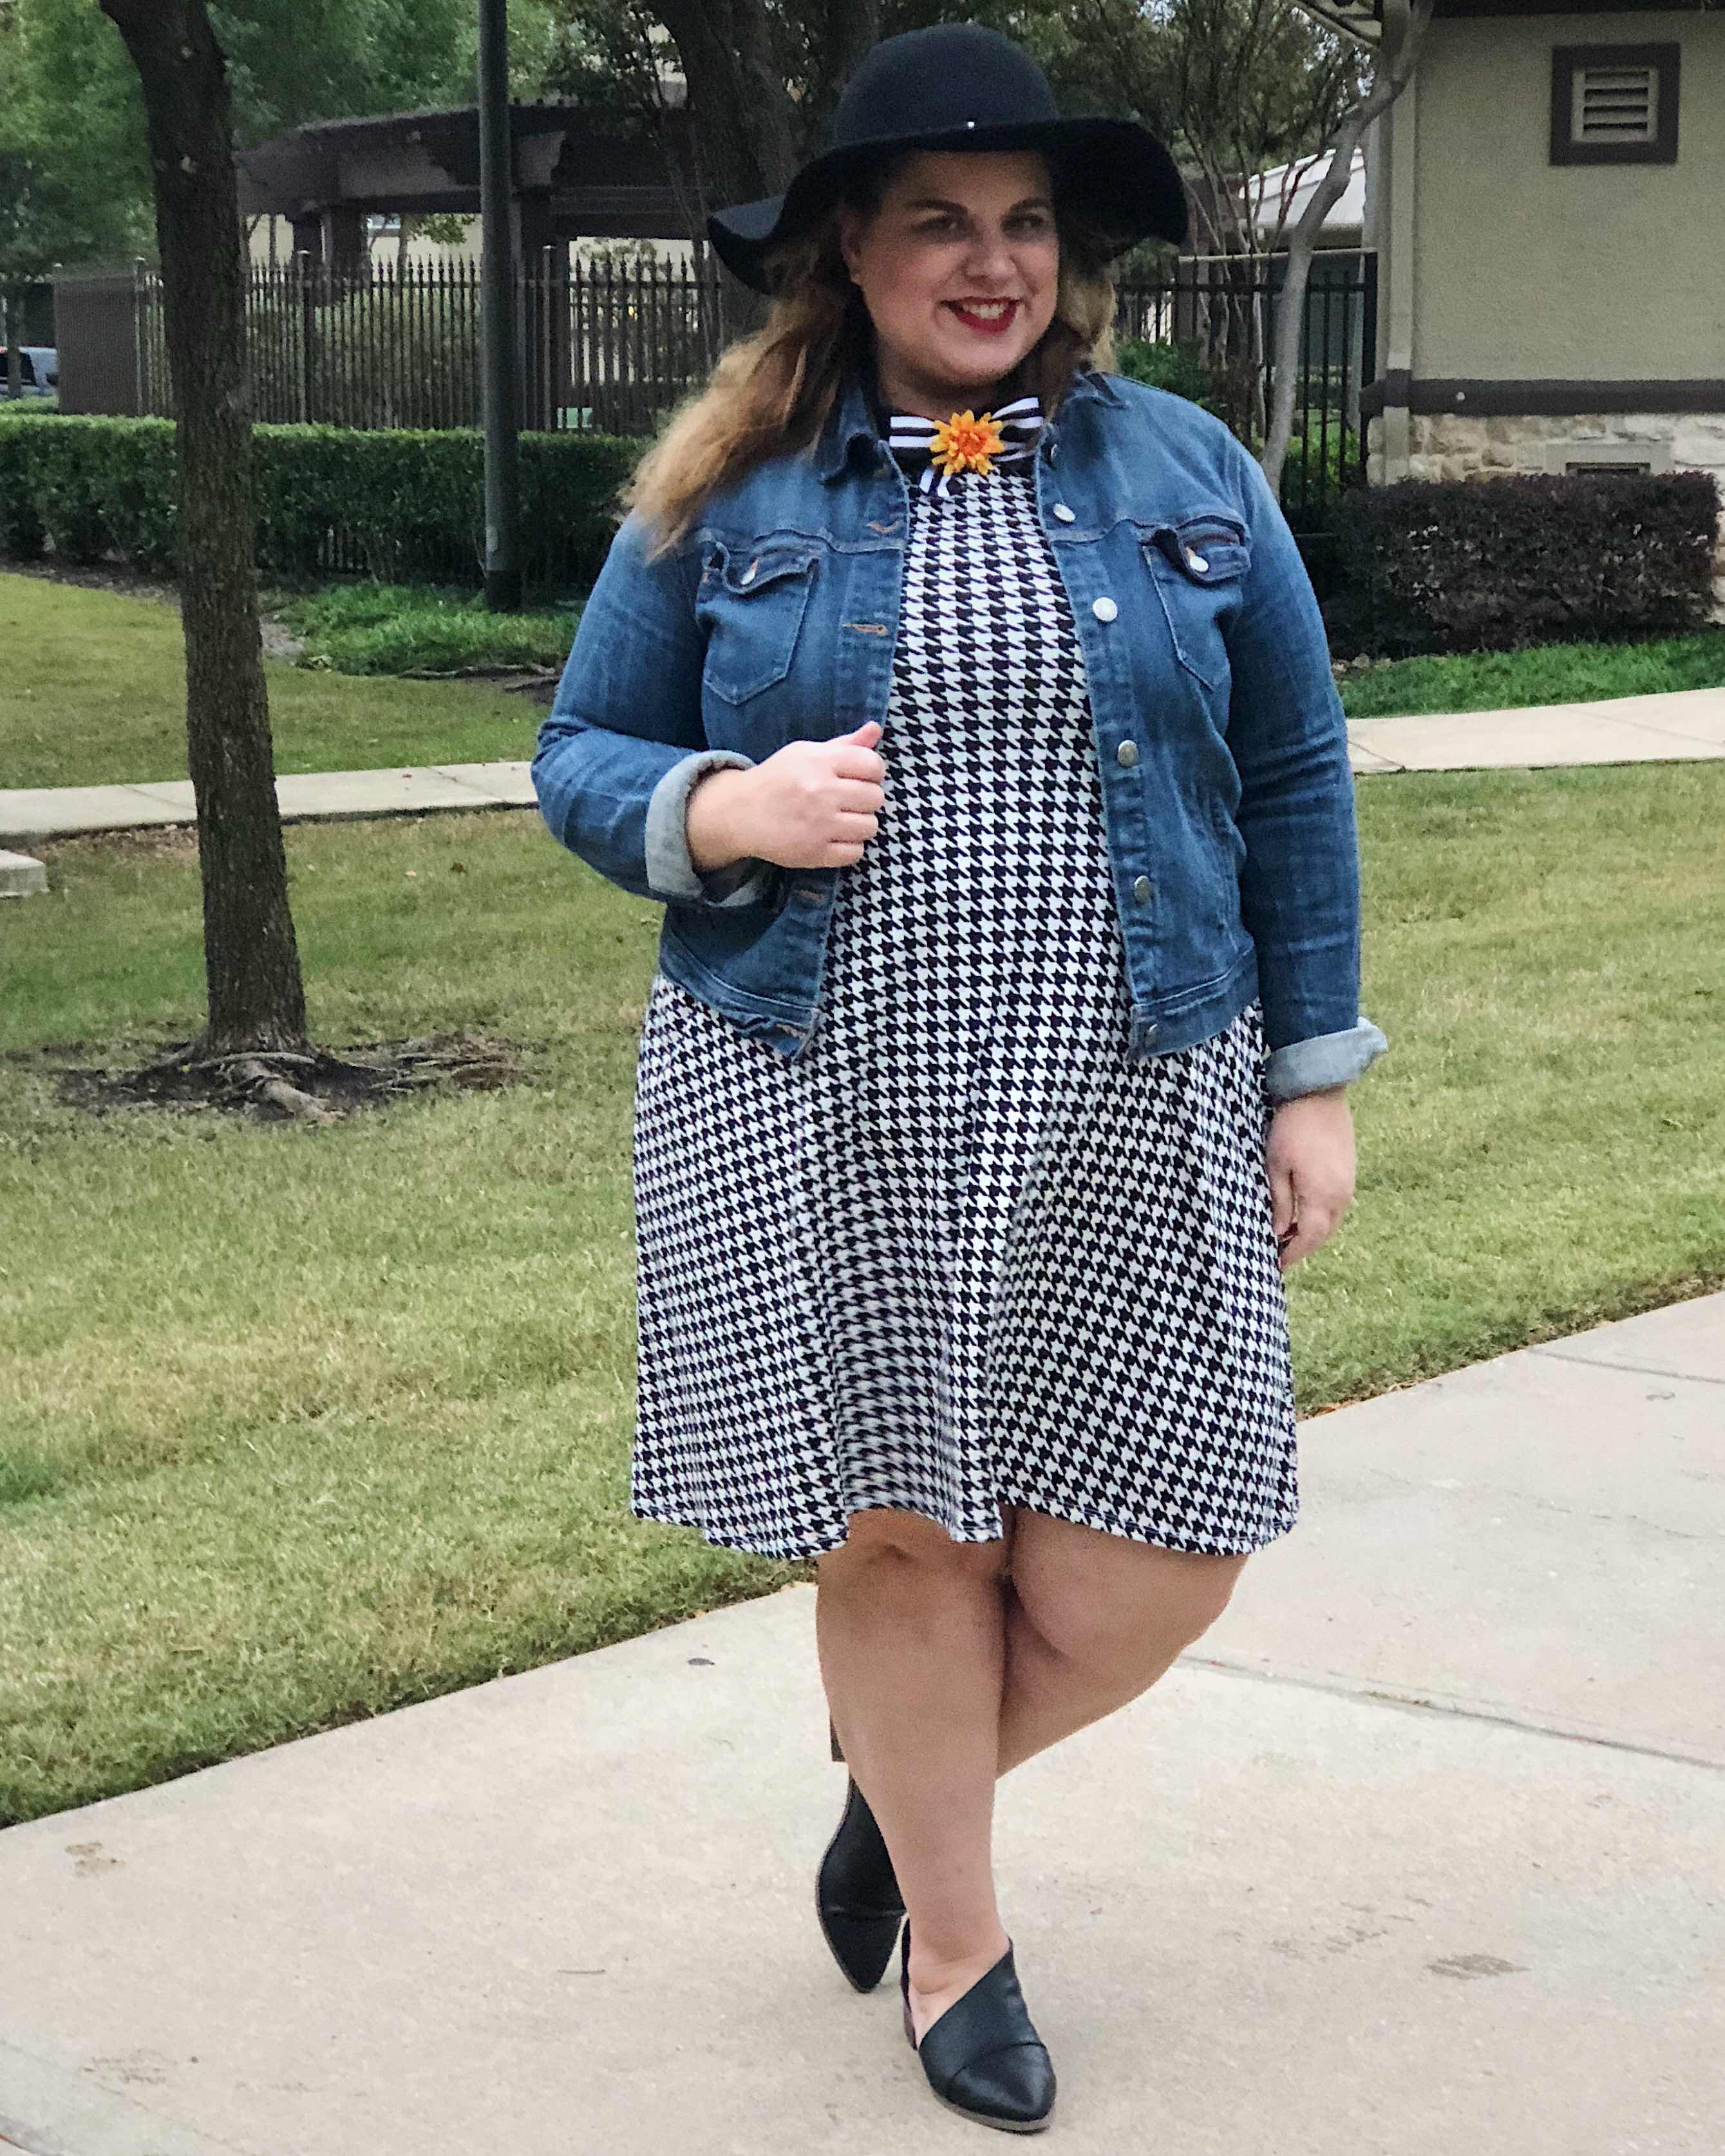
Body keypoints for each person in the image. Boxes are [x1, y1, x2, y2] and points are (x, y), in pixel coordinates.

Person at [533, 21, 1389, 2135]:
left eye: (1025, 223)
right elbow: (580, 754)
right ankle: (959, 1942)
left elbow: (1295, 777)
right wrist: (722, 809)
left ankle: (905, 1803)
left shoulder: (1191, 471)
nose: (992, 261)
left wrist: (1311, 1078)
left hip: (1131, 1085)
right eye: (940, 220)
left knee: (1158, 1551)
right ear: (852, 246)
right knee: (907, 1533)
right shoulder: (728, 487)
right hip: (816, 1086)